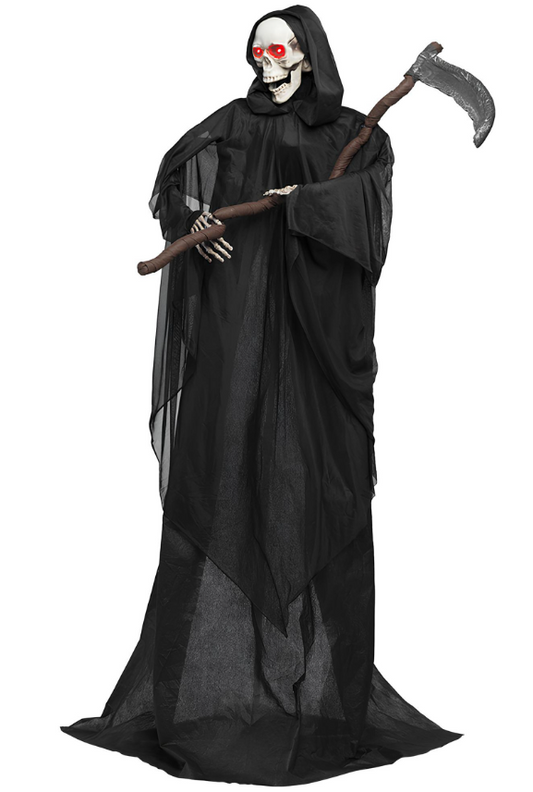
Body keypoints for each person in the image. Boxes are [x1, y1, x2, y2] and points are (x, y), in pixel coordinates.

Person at [61, 5, 463, 783]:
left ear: (307, 56)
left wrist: (304, 202)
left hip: (312, 334)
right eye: (256, 50)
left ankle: (323, 695)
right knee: (220, 467)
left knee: (316, 481)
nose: (265, 61)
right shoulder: (231, 122)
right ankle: (200, 693)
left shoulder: (350, 131)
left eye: (278, 49)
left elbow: (369, 214)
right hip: (236, 322)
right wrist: (194, 217)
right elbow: (173, 177)